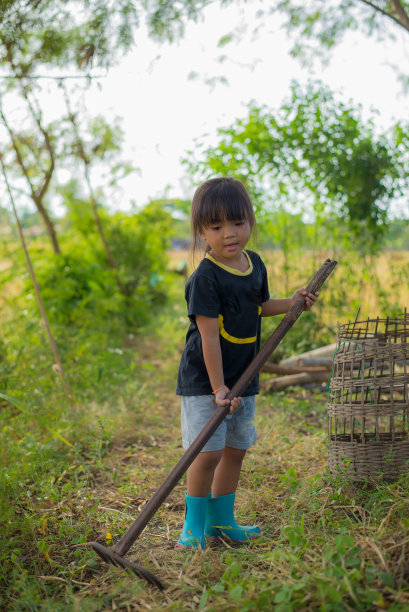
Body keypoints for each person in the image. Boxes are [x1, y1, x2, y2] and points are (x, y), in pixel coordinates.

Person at [176, 177, 318, 548]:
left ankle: (222, 522)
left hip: (244, 372)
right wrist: (219, 387)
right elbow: (208, 336)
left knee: (236, 449)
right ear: (202, 232)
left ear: (250, 221)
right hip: (207, 378)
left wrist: (292, 302)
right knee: (207, 452)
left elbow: (259, 307)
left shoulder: (254, 264)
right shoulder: (205, 277)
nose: (230, 234)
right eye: (217, 226)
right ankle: (194, 526)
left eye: (237, 222)